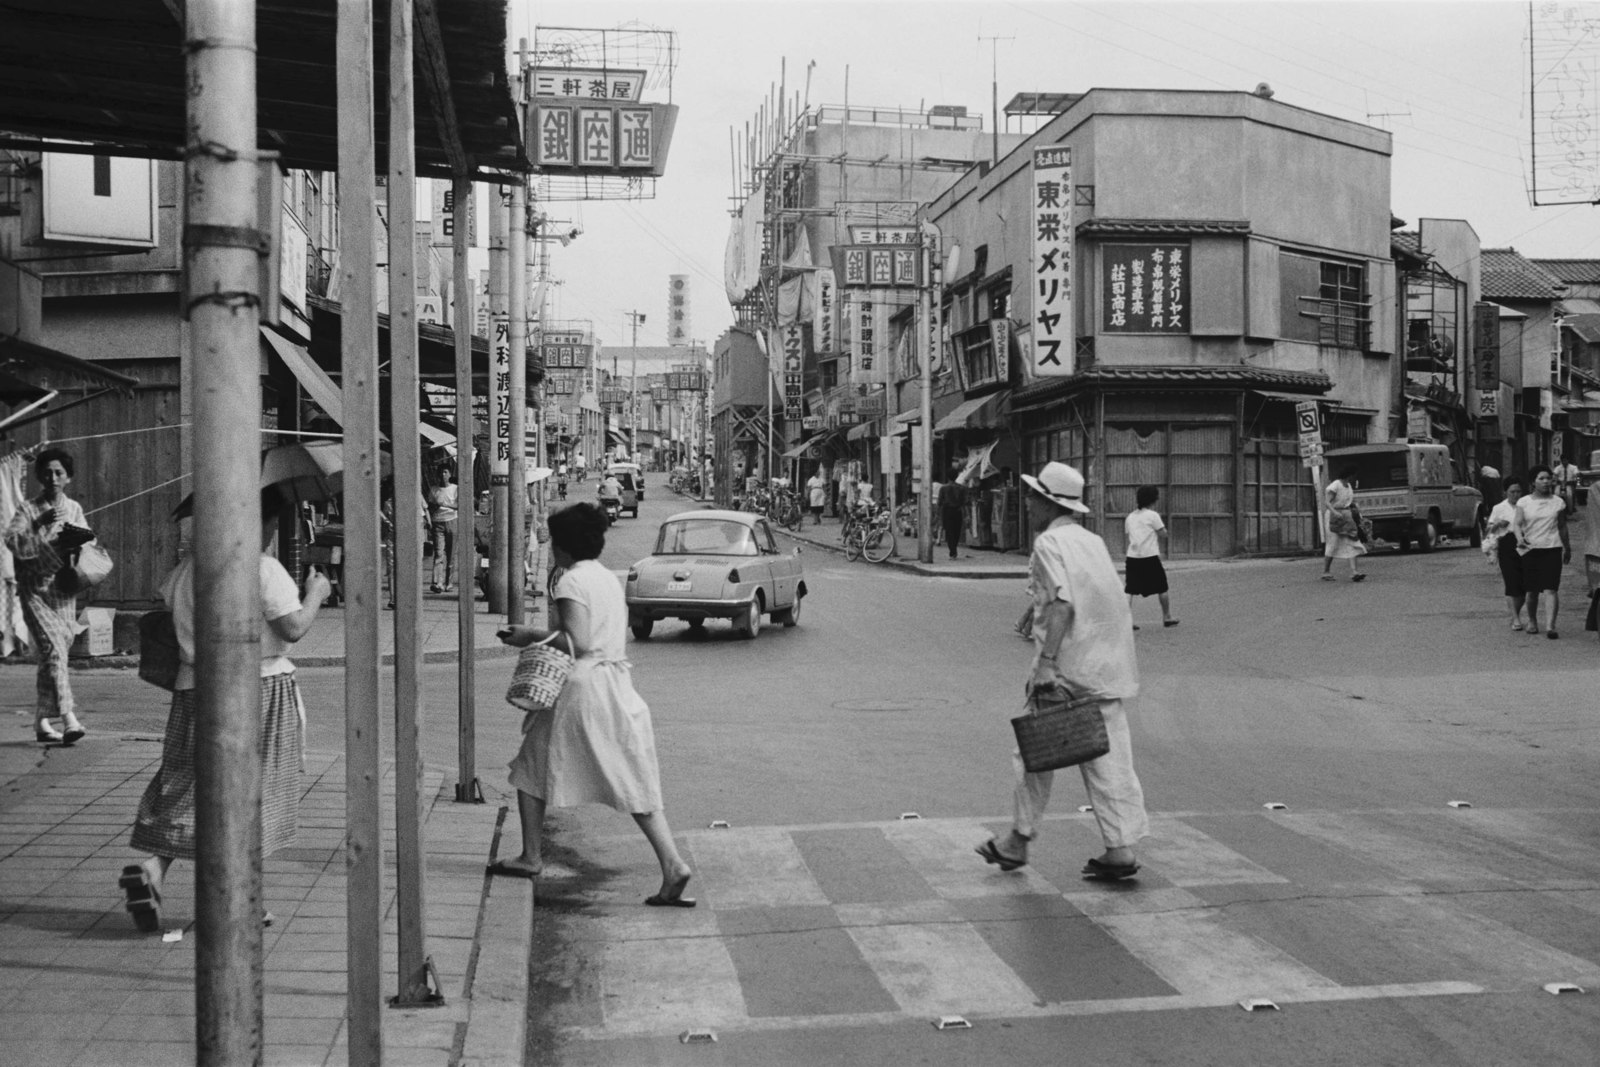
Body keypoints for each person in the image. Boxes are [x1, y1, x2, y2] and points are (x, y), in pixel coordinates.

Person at [121, 489, 331, 932]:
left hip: (193, 688)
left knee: (190, 782)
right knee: (254, 794)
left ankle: (155, 868)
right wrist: (316, 593)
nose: (273, 530)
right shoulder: (263, 569)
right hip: (259, 688)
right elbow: (293, 628)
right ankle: (239, 900)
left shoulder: (184, 573)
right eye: (269, 521)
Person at [494, 503, 694, 906]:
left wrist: (528, 635)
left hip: (582, 689)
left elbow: (577, 642)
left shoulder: (570, 582)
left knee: (531, 768)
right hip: (617, 685)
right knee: (633, 778)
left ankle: (532, 857)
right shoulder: (604, 578)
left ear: (564, 547)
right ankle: (672, 864)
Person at [976, 462, 1149, 881]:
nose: (1028, 503)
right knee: (1111, 762)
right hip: (1108, 668)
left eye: (1033, 497)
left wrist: (1047, 663)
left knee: (1033, 755)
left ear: (1045, 502)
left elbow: (1062, 604)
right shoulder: (1090, 541)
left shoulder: (1049, 544)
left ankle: (1018, 839)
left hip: (1068, 668)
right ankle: (1120, 848)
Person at [4, 448, 91, 745]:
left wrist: (75, 540)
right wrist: (39, 524)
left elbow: (85, 540)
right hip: (34, 591)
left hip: (63, 589)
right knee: (54, 649)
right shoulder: (28, 509)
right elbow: (13, 541)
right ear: (39, 476)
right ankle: (69, 718)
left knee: (55, 653)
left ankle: (41, 720)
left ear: (68, 477)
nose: (53, 478)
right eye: (47, 472)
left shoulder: (74, 508)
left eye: (59, 473)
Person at [1513, 464, 1571, 638]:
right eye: (1541, 479)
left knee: (1551, 589)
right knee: (1532, 590)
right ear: (1533, 482)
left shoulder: (1558, 502)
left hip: (1552, 548)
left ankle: (1551, 626)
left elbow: (1562, 526)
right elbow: (1517, 523)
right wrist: (1519, 538)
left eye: (1548, 478)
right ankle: (1532, 621)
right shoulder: (1524, 502)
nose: (1546, 482)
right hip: (1531, 549)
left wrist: (1567, 547)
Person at [1124, 485, 1177, 629]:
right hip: (1150, 556)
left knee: (1130, 590)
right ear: (1153, 499)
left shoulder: (1130, 517)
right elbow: (1163, 533)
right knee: (1162, 587)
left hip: (1133, 556)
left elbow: (1129, 534)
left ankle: (1127, 621)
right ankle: (1167, 617)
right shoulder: (1153, 516)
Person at [1483, 476, 1528, 631]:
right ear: (1505, 492)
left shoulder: (1526, 505)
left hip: (1525, 544)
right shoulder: (1499, 508)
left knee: (1525, 586)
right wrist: (1498, 524)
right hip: (1507, 545)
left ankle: (1515, 612)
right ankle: (1515, 618)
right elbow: (1487, 530)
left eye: (1518, 491)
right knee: (1511, 583)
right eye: (1512, 492)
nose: (1515, 495)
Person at [1321, 463, 1367, 582]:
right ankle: (1326, 571)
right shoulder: (1335, 485)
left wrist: (1359, 514)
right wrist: (1335, 512)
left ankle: (1354, 572)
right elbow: (1327, 502)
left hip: (1346, 516)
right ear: (1349, 475)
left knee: (1352, 540)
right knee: (1333, 543)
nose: (1354, 477)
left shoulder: (1349, 486)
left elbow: (1350, 502)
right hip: (1334, 516)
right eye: (1353, 475)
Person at [428, 469, 458, 592]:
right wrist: (434, 506)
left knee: (451, 554)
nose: (442, 474)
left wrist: (445, 505)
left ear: (450, 474)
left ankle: (449, 582)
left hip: (452, 520)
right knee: (439, 553)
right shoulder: (434, 489)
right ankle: (437, 583)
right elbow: (429, 506)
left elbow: (459, 505)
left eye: (445, 472)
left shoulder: (456, 489)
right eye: (440, 472)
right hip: (437, 522)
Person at [937, 463, 968, 560]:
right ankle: (953, 548)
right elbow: (964, 502)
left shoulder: (943, 488)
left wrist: (938, 514)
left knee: (949, 531)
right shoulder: (962, 488)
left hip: (947, 511)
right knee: (956, 531)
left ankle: (953, 551)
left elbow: (939, 502)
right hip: (958, 511)